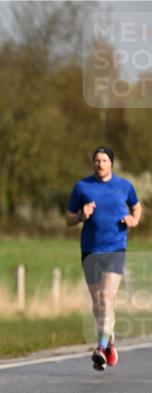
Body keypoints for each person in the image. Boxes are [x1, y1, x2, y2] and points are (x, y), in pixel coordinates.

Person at [66, 146, 142, 371]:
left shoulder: (124, 186)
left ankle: (99, 348)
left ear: (111, 163)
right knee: (98, 303)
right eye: (97, 160)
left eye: (104, 160)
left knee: (107, 297)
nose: (100, 164)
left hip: (115, 248)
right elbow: (68, 219)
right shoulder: (82, 187)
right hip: (90, 249)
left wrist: (132, 220)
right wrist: (81, 215)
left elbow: (137, 208)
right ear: (93, 164)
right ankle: (109, 341)